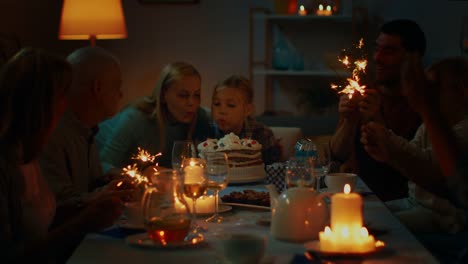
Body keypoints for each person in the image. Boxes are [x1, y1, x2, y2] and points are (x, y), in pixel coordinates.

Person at [0, 48, 124, 262]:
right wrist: (84, 221)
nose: (67, 105)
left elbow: (52, 213)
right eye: (63, 96)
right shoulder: (7, 166)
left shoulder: (29, 154)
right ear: (40, 103)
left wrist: (103, 194)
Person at [360, 57, 468, 235]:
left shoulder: (463, 130)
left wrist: (387, 140)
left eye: (434, 87)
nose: (426, 94)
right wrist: (383, 145)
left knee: (367, 226)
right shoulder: (429, 125)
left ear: (463, 92)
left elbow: (431, 168)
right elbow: (412, 152)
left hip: (443, 216)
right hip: (413, 202)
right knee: (362, 212)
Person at [329, 19, 426, 201]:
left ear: (414, 57)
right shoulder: (366, 92)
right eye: (376, 49)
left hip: (404, 202)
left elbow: (415, 171)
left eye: (389, 51)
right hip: (362, 199)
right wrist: (349, 121)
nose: (377, 58)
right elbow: (337, 155)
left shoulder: (423, 103)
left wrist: (376, 119)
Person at [39, 46, 133, 210]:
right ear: (98, 88)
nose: (121, 94)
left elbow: (86, 187)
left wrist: (109, 181)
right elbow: (59, 206)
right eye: (117, 86)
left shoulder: (87, 129)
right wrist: (104, 195)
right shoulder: (52, 134)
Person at [97, 61, 211, 172]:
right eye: (183, 95)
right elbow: (102, 165)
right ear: (163, 95)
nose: (192, 102)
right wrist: (140, 176)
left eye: (196, 95)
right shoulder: (136, 118)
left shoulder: (198, 116)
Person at [211, 75, 280, 165]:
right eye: (217, 104)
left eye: (231, 105)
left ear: (247, 110)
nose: (222, 111)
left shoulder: (263, 135)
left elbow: (273, 172)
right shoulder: (207, 131)